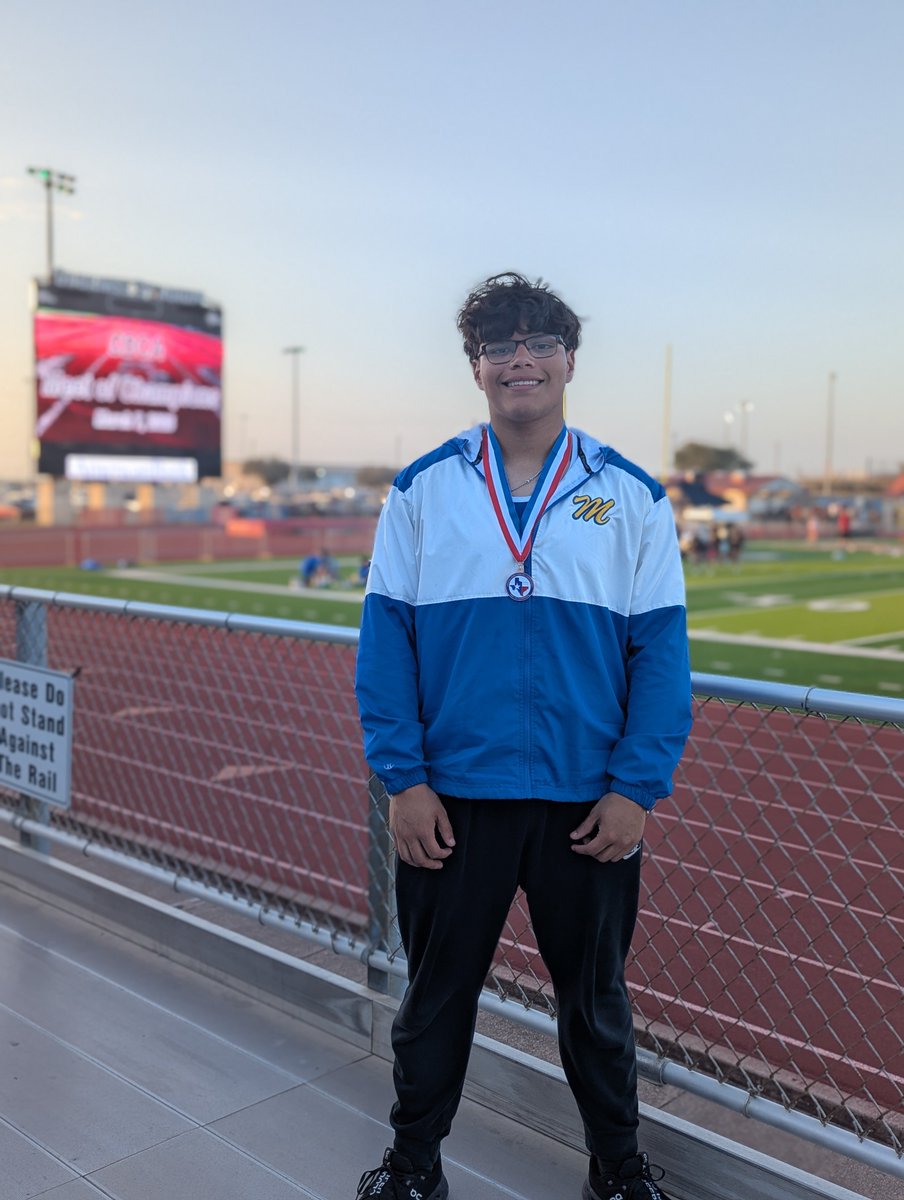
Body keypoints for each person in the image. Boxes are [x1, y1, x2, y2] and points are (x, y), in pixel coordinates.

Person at [354, 273, 693, 1200]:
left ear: (569, 361)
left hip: (588, 805)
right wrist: (403, 778)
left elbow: (662, 655)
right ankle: (414, 1169)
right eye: (500, 345)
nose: (520, 359)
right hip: (453, 800)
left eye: (539, 341)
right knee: (436, 1000)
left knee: (595, 1005)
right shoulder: (422, 489)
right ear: (476, 369)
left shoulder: (628, 495)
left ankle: (618, 1173)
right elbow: (386, 644)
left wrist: (635, 788)